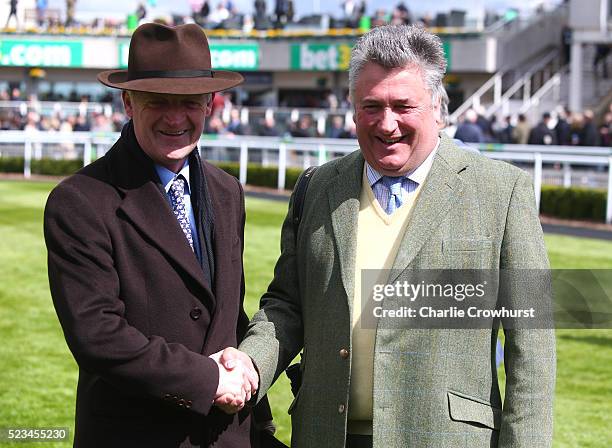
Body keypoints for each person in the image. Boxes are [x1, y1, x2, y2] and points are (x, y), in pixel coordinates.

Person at [219, 24, 555, 447]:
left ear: (436, 106)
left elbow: (533, 346)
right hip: (327, 434)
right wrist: (250, 364)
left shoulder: (502, 191)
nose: (387, 123)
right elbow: (287, 306)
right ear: (353, 108)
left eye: (403, 105)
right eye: (371, 106)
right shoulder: (316, 187)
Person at [43, 23, 276, 447]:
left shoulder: (227, 192)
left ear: (209, 103)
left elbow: (227, 317)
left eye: (188, 102)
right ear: (128, 103)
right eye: (158, 102)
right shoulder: (78, 201)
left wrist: (259, 419)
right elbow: (99, 336)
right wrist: (208, 380)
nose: (175, 118)